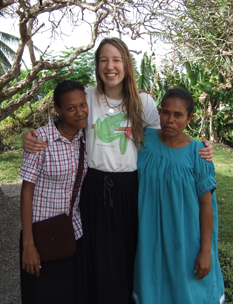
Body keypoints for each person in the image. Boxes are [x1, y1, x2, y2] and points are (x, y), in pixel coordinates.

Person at [22, 38, 214, 304]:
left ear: (126, 64)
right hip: (92, 187)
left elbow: (167, 135)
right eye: (103, 60)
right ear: (97, 65)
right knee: (94, 258)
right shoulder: (87, 97)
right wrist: (26, 134)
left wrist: (199, 147)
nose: (109, 66)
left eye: (116, 60)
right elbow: (60, 122)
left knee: (128, 256)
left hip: (129, 189)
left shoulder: (143, 102)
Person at [133, 88, 225, 304]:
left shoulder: (198, 153)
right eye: (165, 113)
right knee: (155, 288)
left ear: (190, 118)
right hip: (151, 237)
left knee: (187, 291)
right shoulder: (142, 142)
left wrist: (205, 251)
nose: (170, 120)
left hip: (186, 238)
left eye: (178, 115)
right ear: (158, 112)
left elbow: (206, 205)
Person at [19, 80, 88, 304]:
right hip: (40, 235)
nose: (79, 112)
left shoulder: (85, 138)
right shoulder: (40, 141)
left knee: (69, 295)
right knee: (41, 295)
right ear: (58, 110)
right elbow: (26, 193)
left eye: (83, 105)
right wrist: (28, 244)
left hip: (71, 233)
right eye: (71, 108)